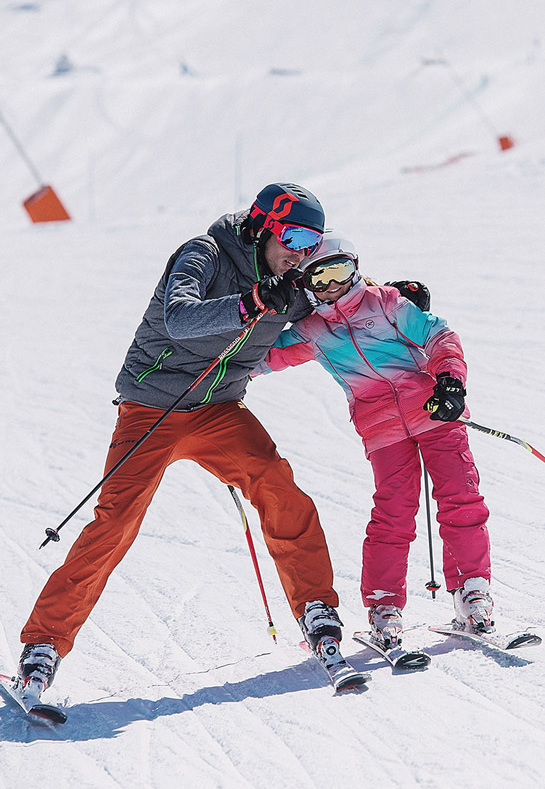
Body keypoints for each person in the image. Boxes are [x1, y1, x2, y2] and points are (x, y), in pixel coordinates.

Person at [18, 184, 349, 699]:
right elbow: (180, 316)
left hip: (219, 412)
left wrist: (395, 299)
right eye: (292, 236)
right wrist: (253, 302)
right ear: (263, 226)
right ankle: (43, 646)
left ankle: (315, 609)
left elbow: (341, 297)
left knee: (278, 486)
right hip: (153, 408)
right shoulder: (206, 253)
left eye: (312, 241)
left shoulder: (291, 277)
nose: (300, 250)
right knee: (116, 523)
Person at [252, 231, 494, 649]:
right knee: (394, 513)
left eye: (339, 271)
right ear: (305, 286)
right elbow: (260, 359)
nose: (333, 285)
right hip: (382, 430)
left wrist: (451, 381)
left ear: (355, 266)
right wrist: (213, 378)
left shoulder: (386, 302)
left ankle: (471, 592)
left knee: (461, 497)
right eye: (319, 279)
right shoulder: (311, 329)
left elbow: (440, 336)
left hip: (434, 412)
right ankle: (384, 607)